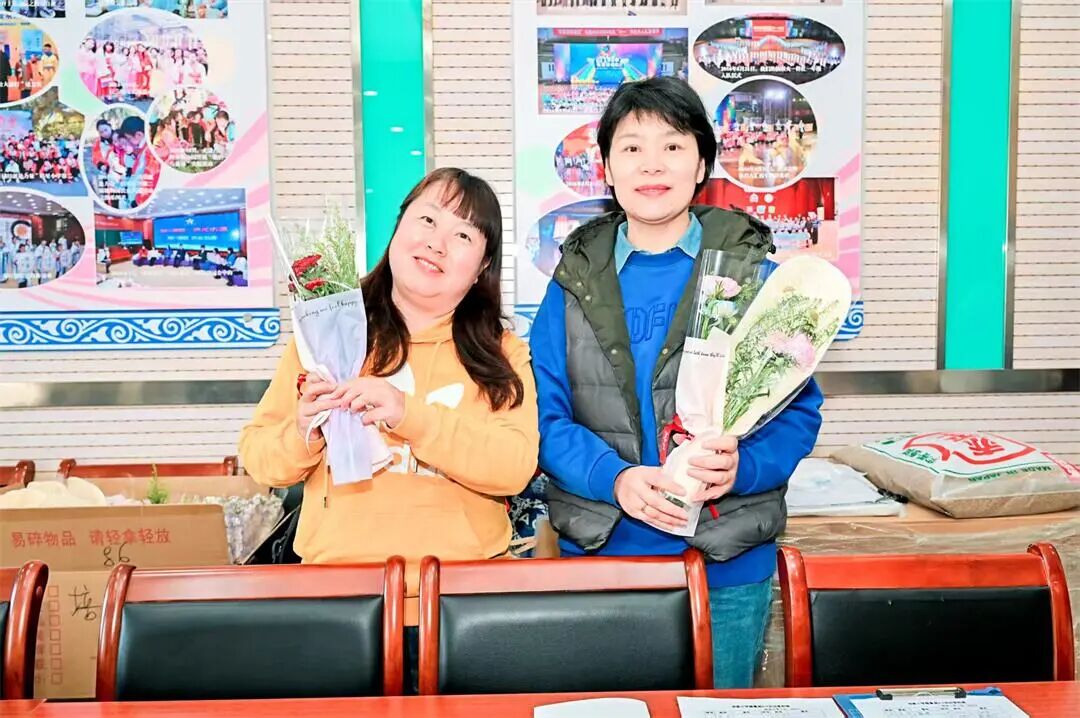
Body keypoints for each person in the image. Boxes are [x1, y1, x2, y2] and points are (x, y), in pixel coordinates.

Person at [529, 77, 823, 689]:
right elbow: (545, 419)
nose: (652, 164)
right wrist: (613, 478)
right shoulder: (571, 286)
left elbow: (798, 413)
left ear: (702, 165)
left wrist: (742, 468)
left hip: (725, 563)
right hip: (604, 555)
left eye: (672, 145)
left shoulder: (756, 279)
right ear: (607, 168)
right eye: (632, 148)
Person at [239, 167, 539, 690]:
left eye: (464, 235)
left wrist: (408, 414)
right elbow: (260, 457)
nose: (437, 243)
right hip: (338, 604)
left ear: (483, 266)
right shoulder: (323, 337)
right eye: (428, 220)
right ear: (398, 228)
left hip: (462, 608)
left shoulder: (501, 352)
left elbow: (513, 468)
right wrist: (306, 430)